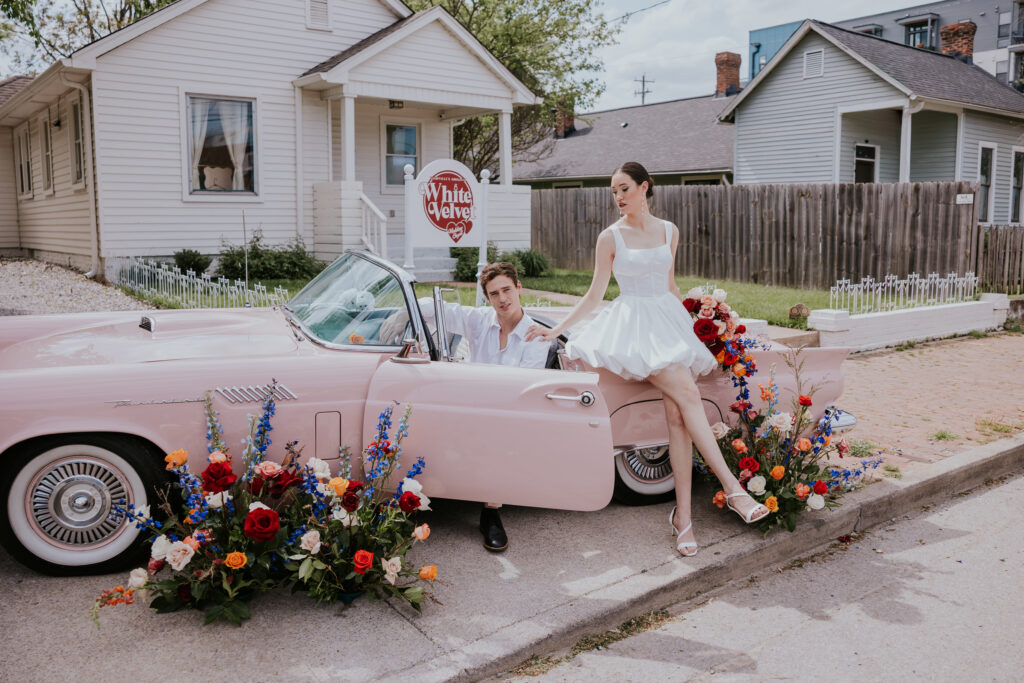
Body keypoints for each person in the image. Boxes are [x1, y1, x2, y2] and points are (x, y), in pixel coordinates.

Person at [525, 161, 769, 557]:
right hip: (635, 328)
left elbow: (670, 285)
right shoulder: (610, 237)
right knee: (689, 395)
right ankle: (734, 490)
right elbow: (594, 294)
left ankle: (683, 519)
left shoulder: (669, 230)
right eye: (613, 191)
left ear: (644, 187)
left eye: (624, 188)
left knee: (677, 417)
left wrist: (700, 328)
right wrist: (555, 329)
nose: (618, 197)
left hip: (668, 322)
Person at [383, 261, 550, 552]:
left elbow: (523, 390)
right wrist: (400, 315)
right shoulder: (480, 319)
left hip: (512, 413)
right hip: (473, 404)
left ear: (519, 287)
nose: (503, 299)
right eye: (494, 293)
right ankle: (410, 498)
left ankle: (491, 512)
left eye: (507, 290)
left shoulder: (535, 337)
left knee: (498, 434)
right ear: (487, 297)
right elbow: (435, 307)